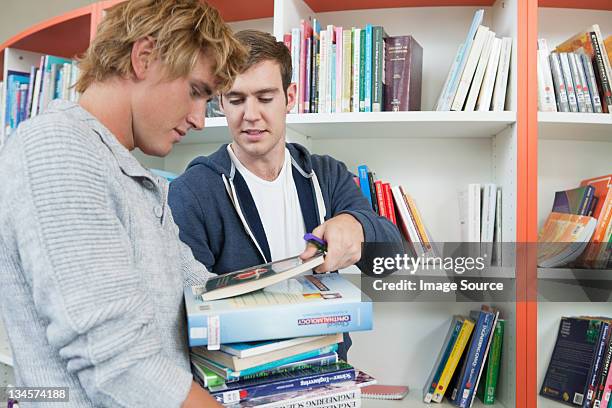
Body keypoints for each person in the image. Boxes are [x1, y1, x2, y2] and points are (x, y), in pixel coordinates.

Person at [0, 1, 246, 407]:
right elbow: (118, 363)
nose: (201, 119)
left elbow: (199, 288)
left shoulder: (133, 177)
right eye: (196, 92)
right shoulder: (57, 148)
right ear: (144, 57)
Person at [168, 29, 402, 360]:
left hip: (327, 370)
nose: (250, 115)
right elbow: (184, 314)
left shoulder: (327, 175)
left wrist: (357, 227)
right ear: (220, 101)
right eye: (236, 99)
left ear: (289, 98)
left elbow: (391, 261)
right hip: (242, 378)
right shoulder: (192, 192)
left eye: (265, 98)